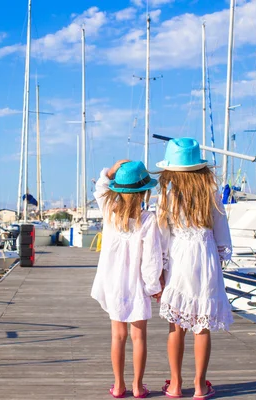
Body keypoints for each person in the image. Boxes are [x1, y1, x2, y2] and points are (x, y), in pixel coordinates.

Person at [155, 138, 233, 400]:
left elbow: (162, 233)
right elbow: (221, 228)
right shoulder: (210, 189)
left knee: (176, 325)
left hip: (179, 255)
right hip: (206, 254)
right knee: (202, 324)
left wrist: (161, 267)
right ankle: (200, 386)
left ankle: (175, 385)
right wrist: (221, 254)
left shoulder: (167, 192)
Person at [91, 160, 166, 399]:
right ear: (144, 191)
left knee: (118, 336)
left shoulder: (108, 210)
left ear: (118, 190)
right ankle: (137, 386)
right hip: (136, 283)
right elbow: (152, 259)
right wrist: (154, 286)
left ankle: (118, 385)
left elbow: (101, 186)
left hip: (113, 282)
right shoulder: (148, 219)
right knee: (138, 336)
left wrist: (110, 170)